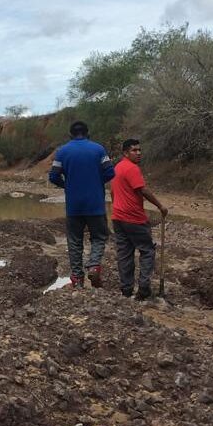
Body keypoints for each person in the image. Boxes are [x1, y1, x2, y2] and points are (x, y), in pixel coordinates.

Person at [48, 120, 115, 288]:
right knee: (99, 236)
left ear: (70, 135)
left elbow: (53, 176)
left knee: (74, 240)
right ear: (87, 133)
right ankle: (93, 265)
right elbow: (110, 172)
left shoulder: (62, 151)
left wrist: (67, 185)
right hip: (95, 204)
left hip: (74, 206)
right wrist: (98, 182)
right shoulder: (98, 149)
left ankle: (77, 278)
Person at [111, 139, 167, 300]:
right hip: (133, 218)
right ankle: (143, 288)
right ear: (125, 153)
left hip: (118, 217)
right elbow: (143, 190)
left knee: (125, 254)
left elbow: (114, 193)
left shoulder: (117, 168)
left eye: (139, 150)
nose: (138, 153)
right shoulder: (132, 168)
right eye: (134, 150)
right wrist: (160, 206)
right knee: (147, 250)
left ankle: (126, 289)